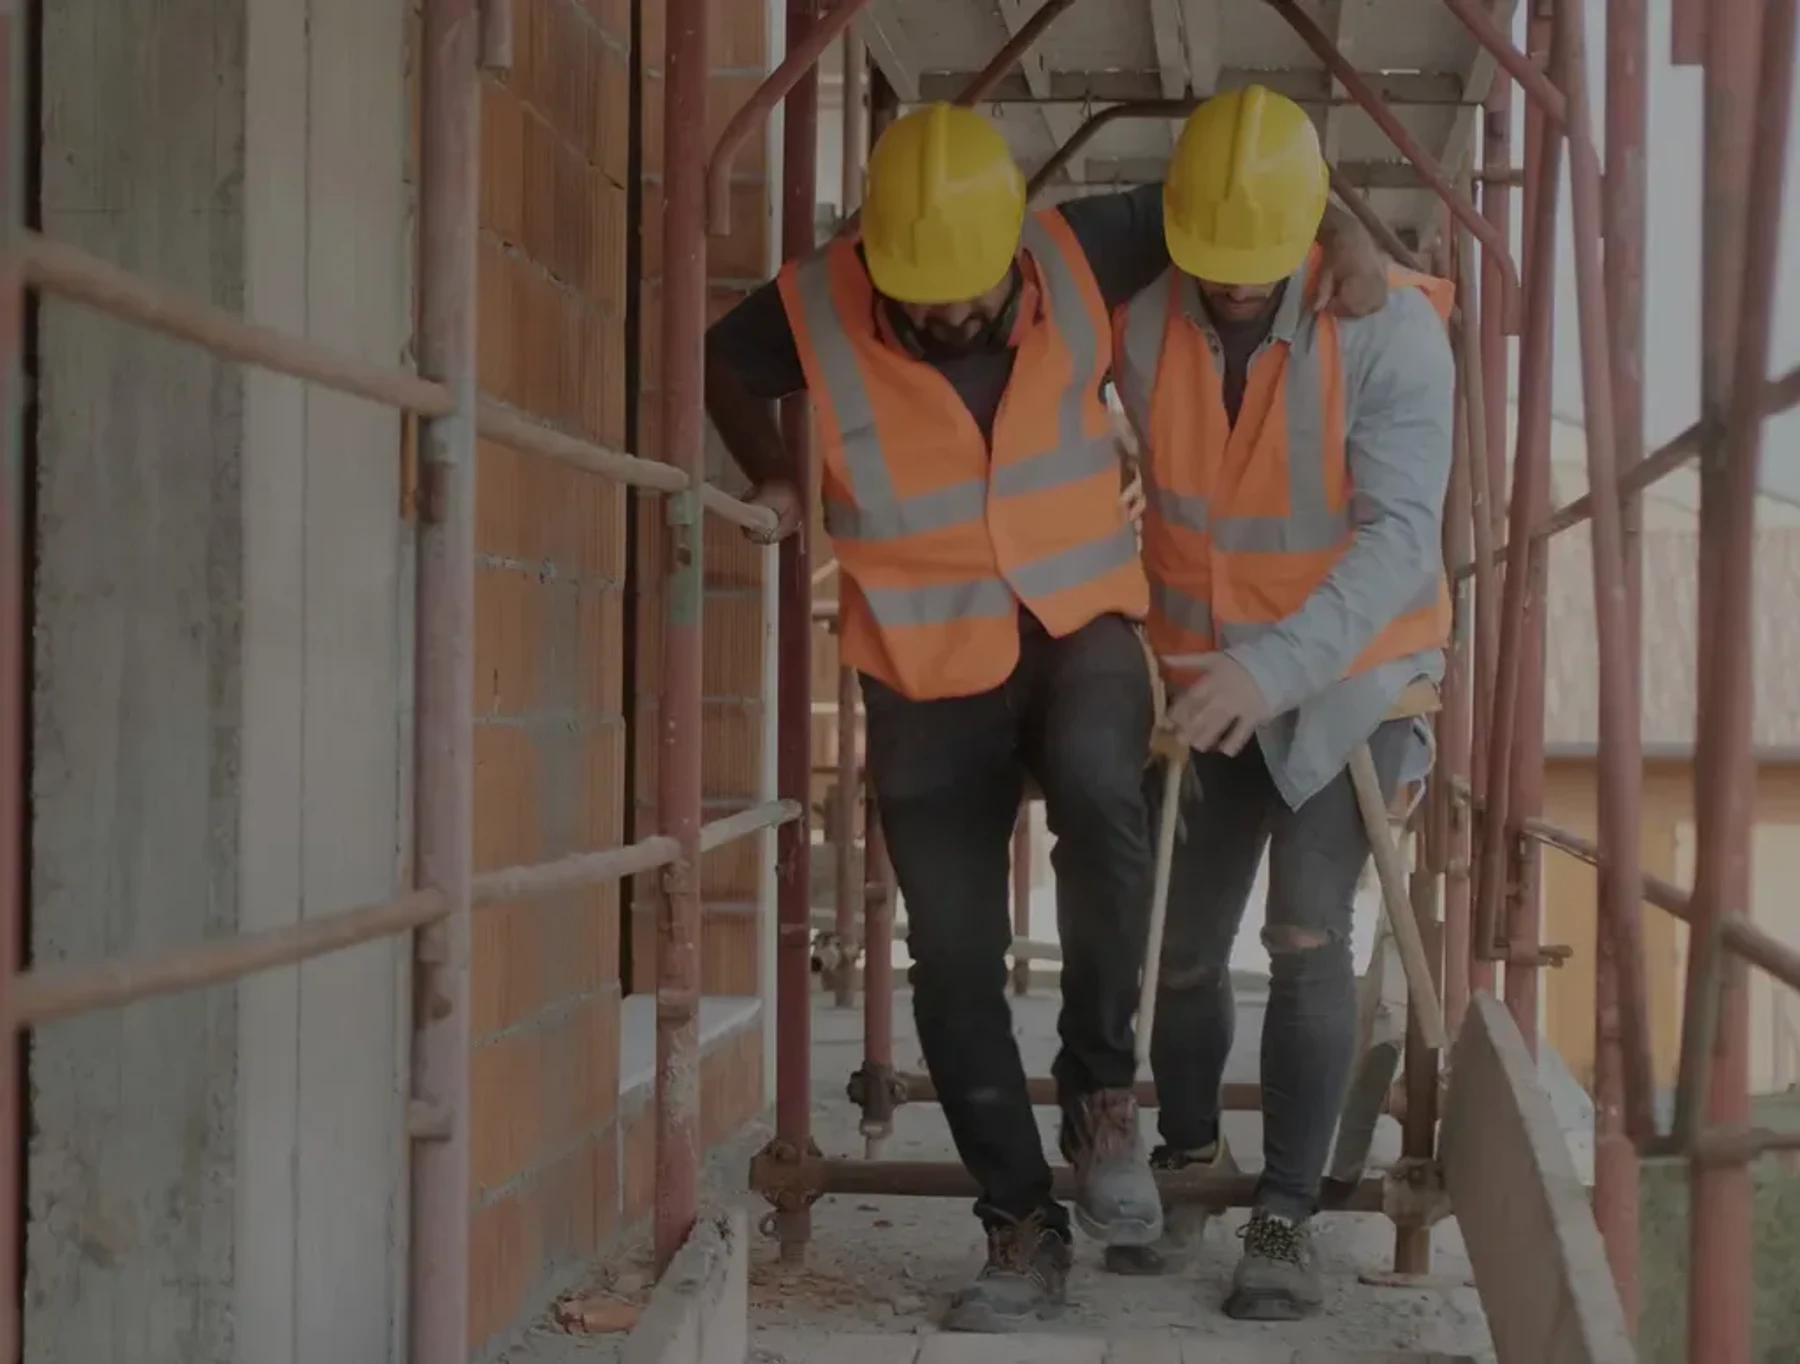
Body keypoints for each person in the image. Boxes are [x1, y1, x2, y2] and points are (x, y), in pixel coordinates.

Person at [704, 100, 1391, 1333]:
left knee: (1101, 790)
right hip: (923, 656)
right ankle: (1020, 1224)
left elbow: (1244, 192)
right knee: (953, 953)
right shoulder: (812, 303)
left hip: (1080, 618)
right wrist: (765, 467)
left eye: (973, 294)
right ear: (874, 256)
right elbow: (725, 359)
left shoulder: (1082, 246)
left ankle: (1102, 1098)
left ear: (1015, 241)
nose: (953, 317)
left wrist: (1345, 236)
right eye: (924, 299)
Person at [1109, 85, 1455, 1322]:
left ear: (1314, 229)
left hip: (1353, 686)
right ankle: (1191, 1159)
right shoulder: (1143, 321)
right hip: (1207, 687)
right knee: (1184, 950)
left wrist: (1280, 667)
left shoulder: (1391, 330)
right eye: (1216, 264)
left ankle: (1287, 1211)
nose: (1237, 287)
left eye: (1261, 265)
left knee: (1307, 932)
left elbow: (1400, 539)